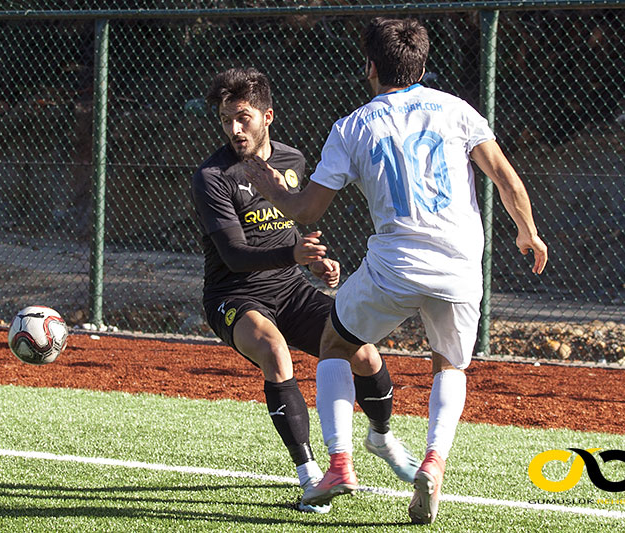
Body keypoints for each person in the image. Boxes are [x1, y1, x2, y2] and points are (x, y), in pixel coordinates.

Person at [243, 18, 548, 524]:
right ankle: (434, 461)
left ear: (370, 67)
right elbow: (504, 177)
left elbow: (310, 211)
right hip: (458, 266)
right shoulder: (457, 110)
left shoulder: (353, 126)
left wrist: (275, 190)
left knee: (336, 344)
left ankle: (339, 463)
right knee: (449, 366)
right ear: (424, 67)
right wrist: (527, 231)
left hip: (394, 268)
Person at [191, 67, 421, 514]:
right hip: (233, 294)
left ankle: (382, 437)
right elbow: (236, 256)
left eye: (243, 118)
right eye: (226, 121)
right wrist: (294, 254)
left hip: (290, 287)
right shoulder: (211, 176)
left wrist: (315, 261)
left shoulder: (293, 161)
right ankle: (310, 474)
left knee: (366, 354)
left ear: (267, 115)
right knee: (275, 352)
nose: (235, 130)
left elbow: (288, 231)